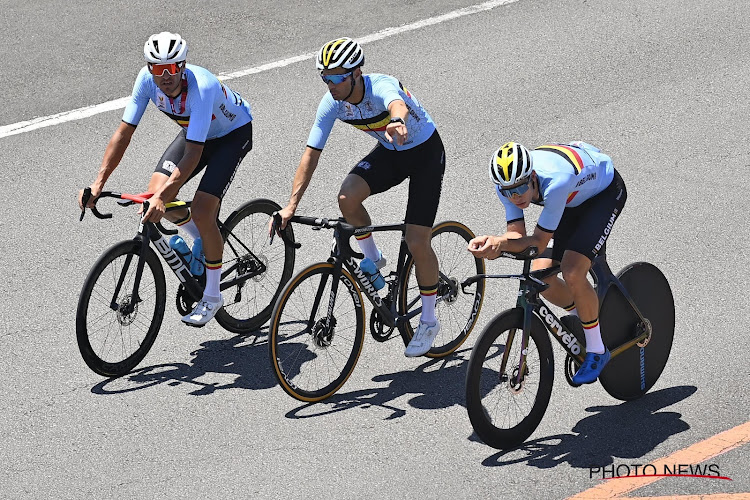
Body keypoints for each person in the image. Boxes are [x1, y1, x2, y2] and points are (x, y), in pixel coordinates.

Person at [273, 37, 446, 357]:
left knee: (417, 241)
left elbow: (397, 103)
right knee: (346, 198)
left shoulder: (379, 86)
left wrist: (397, 120)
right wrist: (291, 205)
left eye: (338, 77)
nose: (331, 84)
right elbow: (311, 154)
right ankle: (373, 257)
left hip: (424, 153)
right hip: (392, 152)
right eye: (325, 77)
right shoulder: (332, 103)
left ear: (356, 73)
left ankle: (429, 320)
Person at [78, 32, 254, 327]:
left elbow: (194, 155)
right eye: (158, 69)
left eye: (172, 68)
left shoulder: (202, 87)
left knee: (201, 209)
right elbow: (123, 134)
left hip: (231, 135)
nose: (165, 76)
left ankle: (212, 296)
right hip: (195, 133)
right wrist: (98, 183)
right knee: (153, 195)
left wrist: (163, 198)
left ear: (183, 65)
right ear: (149, 68)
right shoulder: (146, 81)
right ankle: (203, 239)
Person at [468, 141, 627, 384]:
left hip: (602, 194)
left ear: (531, 176)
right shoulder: (507, 185)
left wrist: (500, 245)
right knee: (541, 275)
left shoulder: (555, 182)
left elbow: (538, 243)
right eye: (508, 191)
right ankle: (583, 315)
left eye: (520, 188)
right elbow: (517, 236)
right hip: (572, 199)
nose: (516, 197)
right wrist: (495, 242)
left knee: (573, 271)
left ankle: (597, 350)